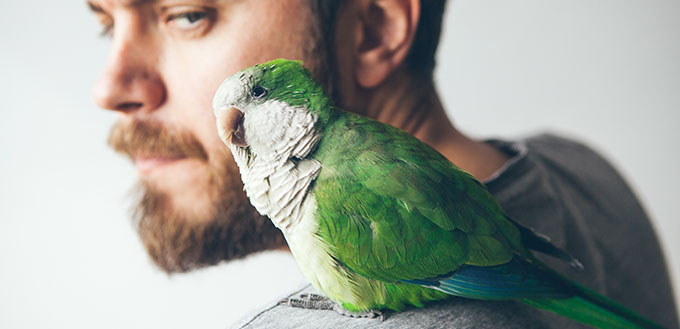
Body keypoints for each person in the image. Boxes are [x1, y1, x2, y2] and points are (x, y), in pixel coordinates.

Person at [88, 0, 678, 327]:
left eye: (188, 13)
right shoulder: (579, 167)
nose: (109, 88)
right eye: (104, 24)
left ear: (373, 30)